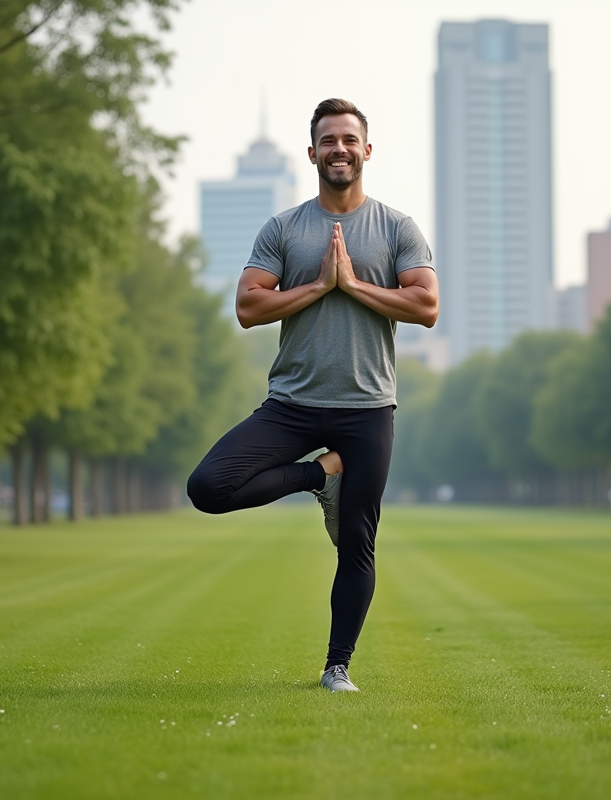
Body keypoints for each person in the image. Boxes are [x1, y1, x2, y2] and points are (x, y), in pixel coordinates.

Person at [186, 98, 439, 693]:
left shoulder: (397, 228)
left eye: (350, 139)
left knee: (356, 540)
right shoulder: (284, 229)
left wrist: (351, 285)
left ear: (367, 150)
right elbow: (249, 307)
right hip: (293, 404)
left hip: (367, 408)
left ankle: (337, 667)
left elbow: (426, 306)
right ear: (312, 153)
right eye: (329, 141)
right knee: (208, 487)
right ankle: (319, 476)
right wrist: (320, 284)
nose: (340, 149)